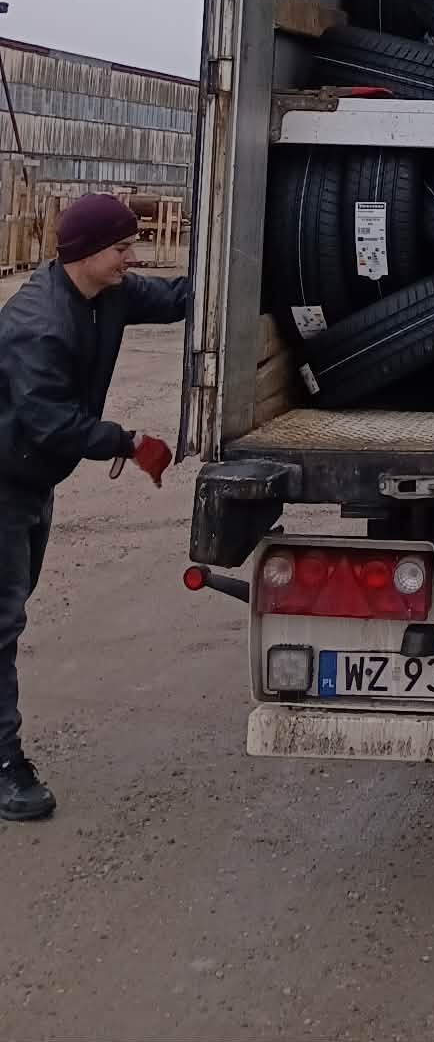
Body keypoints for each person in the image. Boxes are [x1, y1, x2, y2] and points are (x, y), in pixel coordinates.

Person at [0, 193, 184, 821]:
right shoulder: (38, 324)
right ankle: (4, 766)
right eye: (122, 248)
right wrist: (128, 441)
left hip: (29, 481)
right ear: (85, 253)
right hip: (5, 485)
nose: (133, 258)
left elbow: (177, 298)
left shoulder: (109, 293)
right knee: (2, 623)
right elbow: (51, 423)